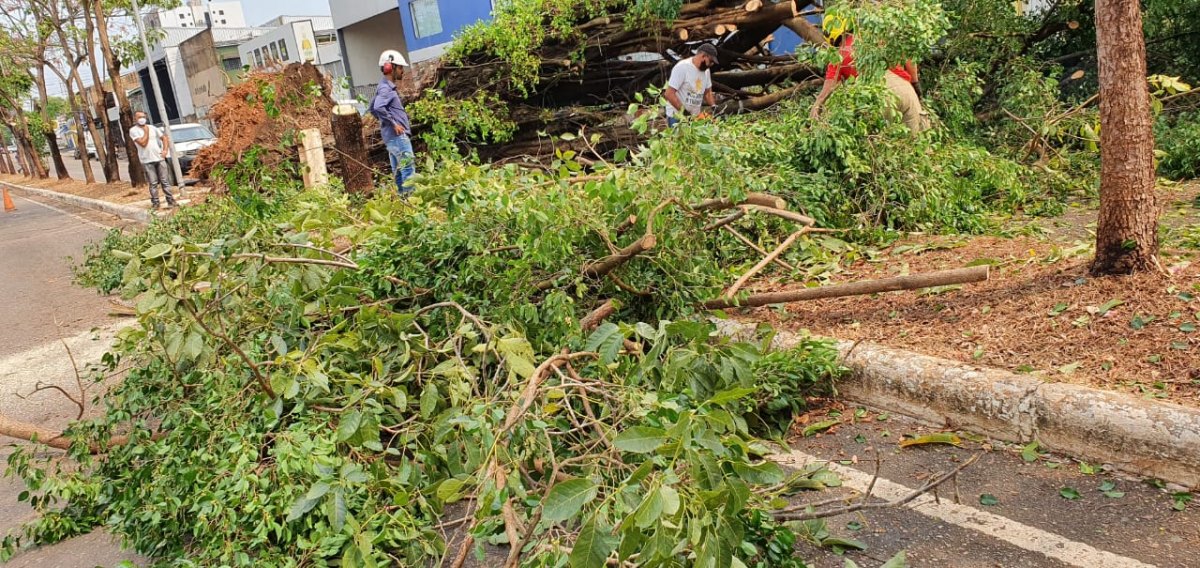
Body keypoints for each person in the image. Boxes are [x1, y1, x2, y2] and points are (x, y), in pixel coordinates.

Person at [808, 29, 928, 133]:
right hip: (905, 88)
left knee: (882, 141)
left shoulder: (837, 57)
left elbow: (827, 92)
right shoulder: (877, 35)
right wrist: (915, 84)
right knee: (919, 140)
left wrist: (814, 115)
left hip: (879, 95)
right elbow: (909, 57)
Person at [370, 50, 415, 195]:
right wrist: (393, 123)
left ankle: (403, 202)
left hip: (392, 138)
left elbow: (372, 108)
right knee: (408, 170)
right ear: (391, 68)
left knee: (399, 173)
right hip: (398, 138)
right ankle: (412, 201)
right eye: (400, 67)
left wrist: (386, 123)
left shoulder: (382, 87)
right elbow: (378, 107)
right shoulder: (385, 88)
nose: (403, 71)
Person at [129, 111, 177, 210]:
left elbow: (164, 138)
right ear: (135, 119)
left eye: (143, 117)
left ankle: (171, 201)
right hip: (147, 160)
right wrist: (146, 131)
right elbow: (143, 143)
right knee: (153, 183)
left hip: (159, 158)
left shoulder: (153, 128)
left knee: (165, 181)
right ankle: (155, 203)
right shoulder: (133, 130)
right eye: (139, 117)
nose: (142, 119)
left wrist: (165, 150)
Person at [664, 43, 719, 127]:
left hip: (694, 117)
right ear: (703, 56)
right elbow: (669, 94)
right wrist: (684, 112)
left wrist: (714, 106)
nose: (711, 64)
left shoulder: (706, 71)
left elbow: (708, 93)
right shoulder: (682, 67)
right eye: (711, 61)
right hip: (677, 117)